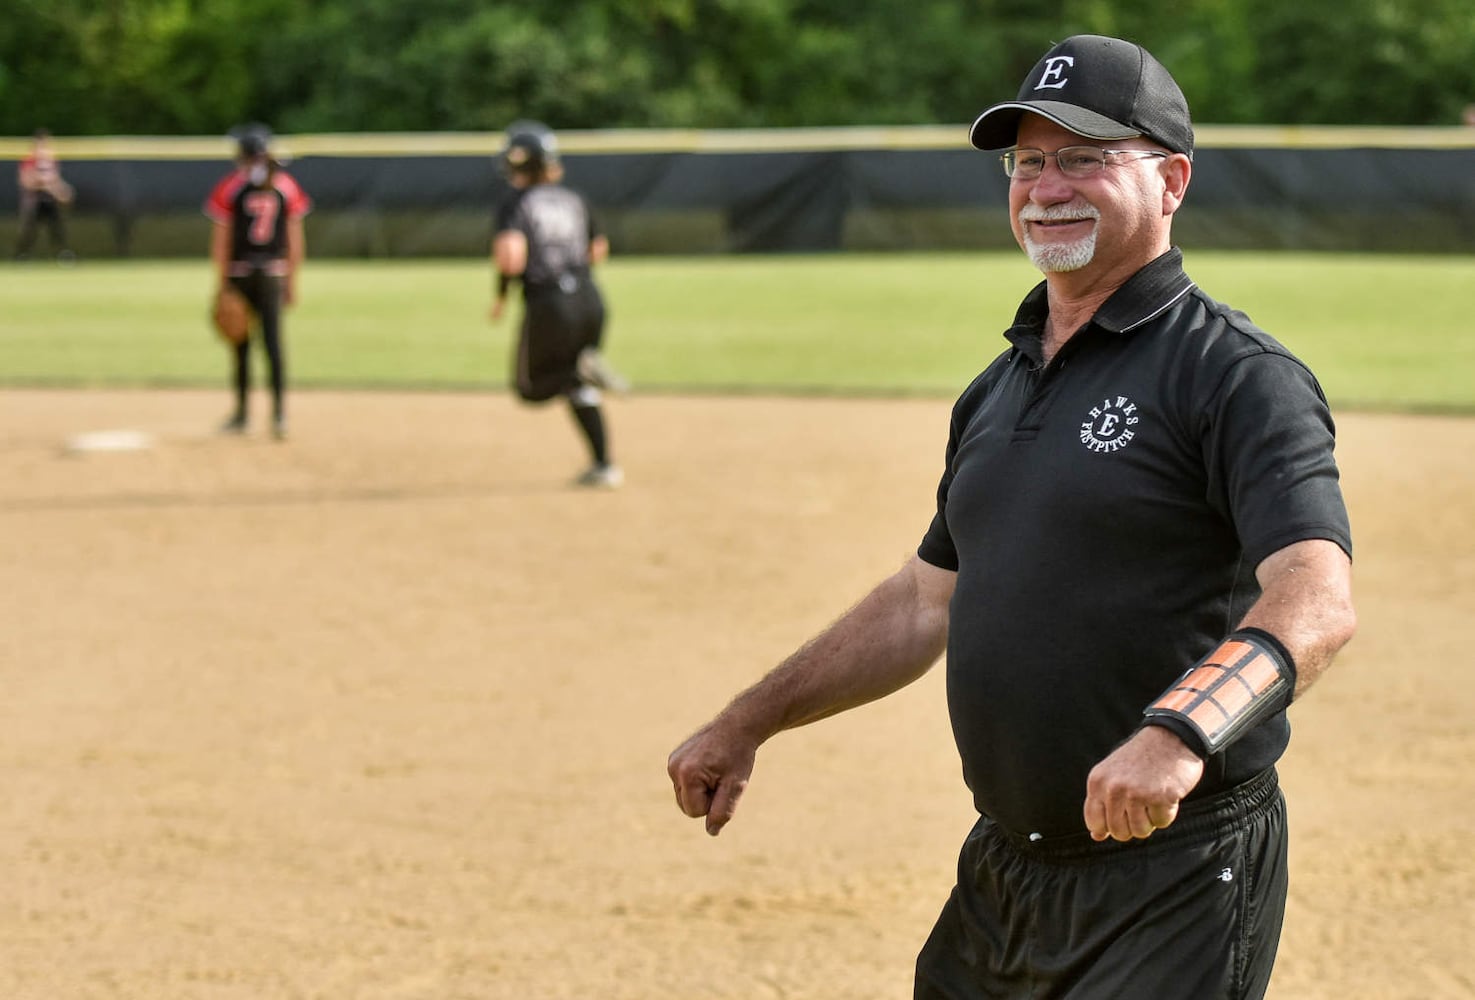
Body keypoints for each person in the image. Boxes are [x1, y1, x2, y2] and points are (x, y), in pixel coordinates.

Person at [667, 34, 1356, 1000]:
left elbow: (1315, 602)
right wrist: (749, 721)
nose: (1045, 185)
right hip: (1005, 870)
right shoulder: (995, 390)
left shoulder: (1238, 376)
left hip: (1177, 871)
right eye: (1026, 160)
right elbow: (921, 602)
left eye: (1083, 156)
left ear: (1170, 181)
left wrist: (1176, 734)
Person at [489, 120, 627, 489]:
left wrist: (501, 295)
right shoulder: (574, 199)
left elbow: (511, 258)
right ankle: (604, 465)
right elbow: (598, 250)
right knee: (576, 385)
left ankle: (576, 371)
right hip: (589, 298)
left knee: (530, 388)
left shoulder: (517, 202)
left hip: (550, 303)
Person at [203, 125, 311, 440]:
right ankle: (279, 417)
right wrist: (292, 280)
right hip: (274, 273)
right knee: (274, 344)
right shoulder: (286, 185)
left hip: (239, 273)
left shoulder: (230, 187)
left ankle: (242, 416)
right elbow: (295, 241)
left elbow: (220, 244)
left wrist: (222, 285)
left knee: (240, 345)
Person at [14, 128, 75, 263]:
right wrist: (43, 183)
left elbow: (55, 180)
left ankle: (63, 254)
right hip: (34, 200)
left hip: (50, 199)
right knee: (29, 230)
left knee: (57, 227)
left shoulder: (50, 161)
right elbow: (26, 182)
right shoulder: (29, 160)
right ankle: (21, 256)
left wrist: (61, 191)